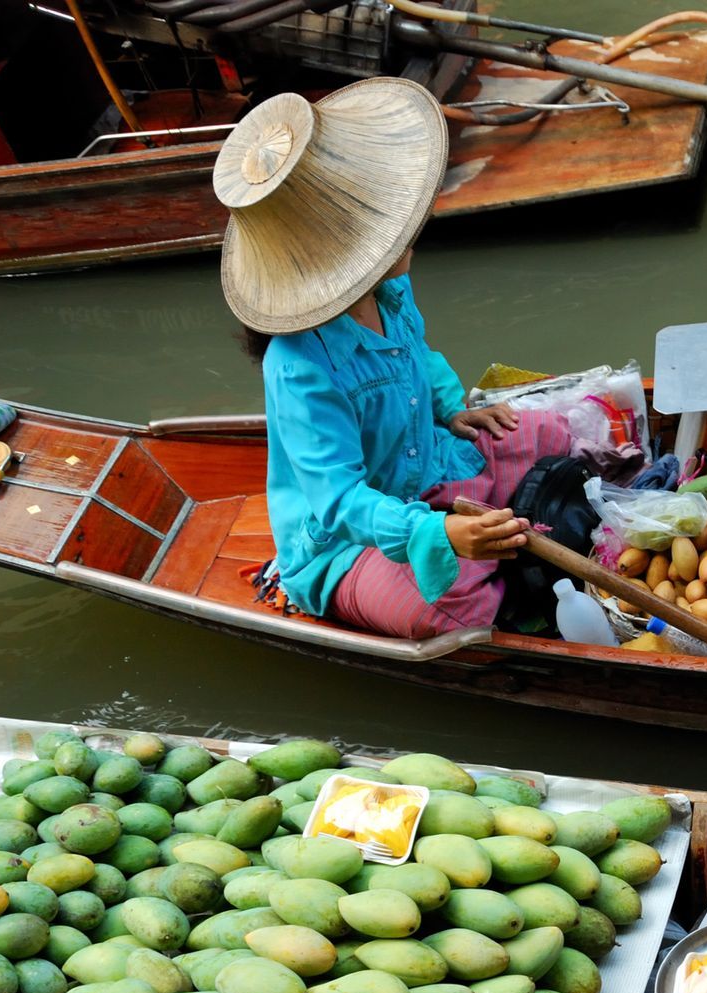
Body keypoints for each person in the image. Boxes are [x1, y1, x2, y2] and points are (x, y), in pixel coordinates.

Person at [213, 77, 551, 640]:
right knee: (449, 611)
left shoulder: (390, 291)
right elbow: (340, 502)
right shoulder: (298, 365)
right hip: (349, 542)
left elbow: (419, 351)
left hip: (426, 468)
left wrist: (450, 408)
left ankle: (488, 547)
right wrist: (437, 535)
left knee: (552, 431)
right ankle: (485, 566)